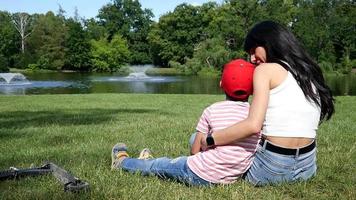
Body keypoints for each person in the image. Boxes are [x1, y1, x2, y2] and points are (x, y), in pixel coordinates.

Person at [199, 21, 335, 186]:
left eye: (253, 51)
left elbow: (253, 125)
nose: (252, 59)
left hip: (271, 169)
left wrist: (210, 140)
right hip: (307, 168)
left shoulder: (265, 70)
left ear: (269, 43)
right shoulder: (307, 72)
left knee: (197, 138)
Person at [111, 59, 260, 186]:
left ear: (221, 84)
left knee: (158, 165)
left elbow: (194, 151)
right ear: (253, 89)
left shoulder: (212, 110)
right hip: (231, 176)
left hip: (200, 174)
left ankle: (122, 162)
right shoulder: (256, 116)